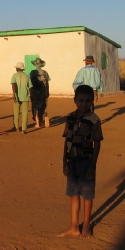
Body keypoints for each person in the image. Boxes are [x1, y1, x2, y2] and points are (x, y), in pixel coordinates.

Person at [57, 84, 103, 239]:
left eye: (88, 101)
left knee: (87, 196)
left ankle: (87, 225)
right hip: (72, 162)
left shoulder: (94, 120)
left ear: (92, 101)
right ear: (75, 100)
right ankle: (74, 226)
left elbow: (97, 143)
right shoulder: (70, 117)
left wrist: (92, 165)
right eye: (81, 100)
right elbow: (67, 140)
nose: (84, 104)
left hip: (86, 162)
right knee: (74, 194)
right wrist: (64, 160)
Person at [10, 62, 32, 134]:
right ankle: (24, 129)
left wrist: (14, 94)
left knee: (16, 112)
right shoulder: (27, 76)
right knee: (25, 113)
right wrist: (31, 95)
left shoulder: (14, 76)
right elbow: (30, 87)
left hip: (17, 96)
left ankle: (16, 128)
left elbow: (13, 85)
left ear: (17, 68)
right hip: (25, 96)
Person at [29, 57, 50, 128]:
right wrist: (47, 91)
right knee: (43, 106)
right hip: (43, 92)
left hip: (35, 92)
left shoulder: (32, 73)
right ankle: (45, 119)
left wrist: (30, 92)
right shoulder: (45, 72)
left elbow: (30, 84)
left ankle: (38, 124)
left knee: (36, 107)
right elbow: (47, 83)